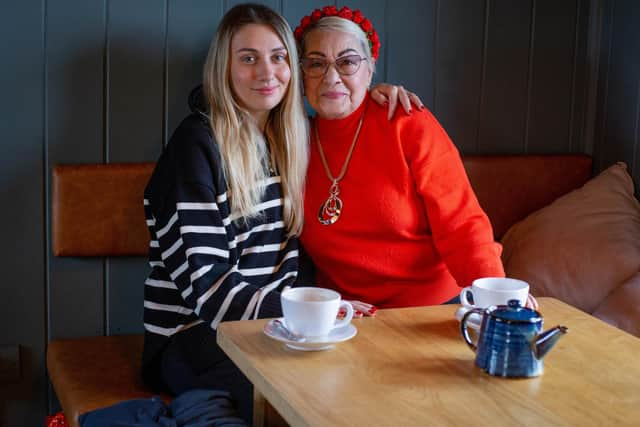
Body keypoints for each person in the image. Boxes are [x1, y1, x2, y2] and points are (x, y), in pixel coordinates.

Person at [141, 3, 421, 423]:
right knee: (303, 408)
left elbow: (345, 115)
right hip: (196, 340)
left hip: (283, 330)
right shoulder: (195, 149)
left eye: (278, 57)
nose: (266, 72)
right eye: (248, 58)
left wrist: (375, 96)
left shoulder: (290, 140)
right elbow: (208, 292)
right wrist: (311, 313)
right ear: (224, 68)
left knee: (373, 389)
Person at [295, 5, 538, 310]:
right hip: (345, 318)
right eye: (316, 64)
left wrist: (496, 299)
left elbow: (462, 224)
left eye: (348, 63)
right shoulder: (291, 141)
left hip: (429, 309)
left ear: (370, 69)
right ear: (300, 74)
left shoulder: (405, 121)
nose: (331, 77)